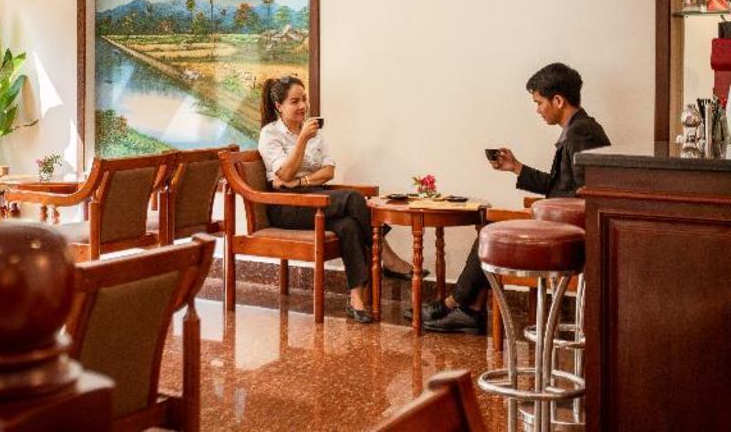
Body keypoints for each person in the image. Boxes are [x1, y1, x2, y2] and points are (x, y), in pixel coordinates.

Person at [418, 62, 610, 334]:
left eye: (539, 102)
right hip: (564, 225)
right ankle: (469, 311)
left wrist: (542, 214)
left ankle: (455, 304)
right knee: (489, 231)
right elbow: (560, 186)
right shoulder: (580, 129)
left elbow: (585, 194)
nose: (537, 110)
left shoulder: (581, 133)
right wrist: (516, 167)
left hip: (569, 235)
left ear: (558, 100)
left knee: (488, 234)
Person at [258, 75, 414, 324]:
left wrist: (302, 181)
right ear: (279, 106)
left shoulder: (313, 131)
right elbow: (284, 174)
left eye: (304, 99)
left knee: (348, 225)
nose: (302, 106)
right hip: (286, 205)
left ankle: (356, 300)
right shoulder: (270, 134)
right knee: (354, 198)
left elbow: (329, 171)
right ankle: (387, 256)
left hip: (313, 197)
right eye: (295, 101)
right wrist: (302, 140)